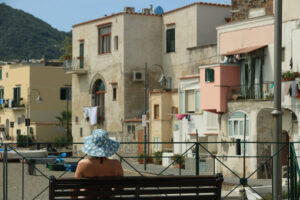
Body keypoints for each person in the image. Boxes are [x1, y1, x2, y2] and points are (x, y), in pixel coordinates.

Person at [73, 129, 123, 199]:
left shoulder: (82, 164)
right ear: (108, 146)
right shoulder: (116, 164)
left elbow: (75, 188)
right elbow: (120, 187)